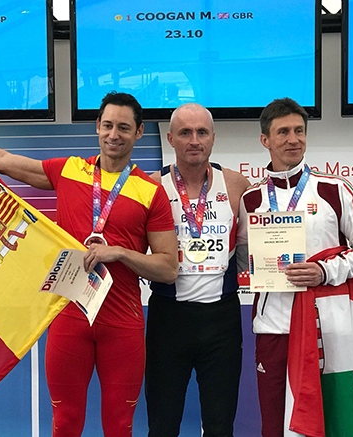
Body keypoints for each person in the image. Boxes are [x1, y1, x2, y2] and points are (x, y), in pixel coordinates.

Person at [0, 91, 178, 437]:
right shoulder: (69, 170)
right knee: (65, 424)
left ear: (139, 133)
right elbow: (5, 159)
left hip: (122, 324)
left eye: (124, 128)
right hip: (69, 318)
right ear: (97, 126)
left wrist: (122, 253)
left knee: (119, 426)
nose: (114, 135)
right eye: (108, 125)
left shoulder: (150, 192)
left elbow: (168, 268)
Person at [238, 97, 353, 437]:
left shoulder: (334, 189)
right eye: (283, 132)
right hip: (275, 328)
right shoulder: (251, 200)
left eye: (299, 131)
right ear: (265, 140)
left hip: (329, 326)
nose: (293, 139)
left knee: (335, 421)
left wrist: (325, 272)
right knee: (276, 425)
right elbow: (244, 257)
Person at [146, 103, 251, 437]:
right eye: (185, 133)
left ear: (213, 138)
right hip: (168, 318)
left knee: (220, 426)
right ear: (170, 138)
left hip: (221, 320)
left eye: (202, 132)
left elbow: (251, 251)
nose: (194, 140)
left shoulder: (236, 184)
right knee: (162, 425)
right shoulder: (150, 186)